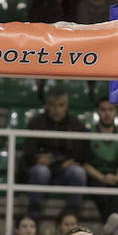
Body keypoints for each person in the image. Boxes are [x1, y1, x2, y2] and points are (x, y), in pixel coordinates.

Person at [21, 86, 86, 220]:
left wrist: (62, 162)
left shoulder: (76, 124)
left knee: (78, 172)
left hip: (65, 171)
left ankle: (71, 216)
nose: (57, 110)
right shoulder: (36, 123)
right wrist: (36, 158)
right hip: (42, 171)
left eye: (61, 106)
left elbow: (82, 153)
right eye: (53, 106)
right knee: (40, 171)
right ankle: (33, 216)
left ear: (66, 106)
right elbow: (28, 154)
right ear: (47, 106)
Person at [84, 96, 118, 235]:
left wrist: (117, 176)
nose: (107, 113)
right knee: (98, 187)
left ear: (116, 112)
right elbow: (86, 163)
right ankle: (115, 227)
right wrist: (102, 177)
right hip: (97, 175)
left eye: (110, 109)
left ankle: (110, 225)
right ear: (98, 112)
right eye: (103, 109)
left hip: (115, 175)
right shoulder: (88, 134)